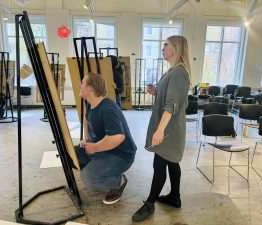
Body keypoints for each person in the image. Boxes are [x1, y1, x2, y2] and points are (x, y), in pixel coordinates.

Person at [132, 35, 191, 222]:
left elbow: (172, 104)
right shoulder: (172, 71)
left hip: (170, 130)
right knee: (172, 162)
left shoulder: (180, 72)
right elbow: (170, 97)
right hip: (170, 128)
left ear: (176, 48)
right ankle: (175, 197)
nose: (162, 47)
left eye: (166, 45)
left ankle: (149, 204)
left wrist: (160, 130)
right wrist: (156, 91)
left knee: (160, 165)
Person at [77, 72, 137, 205]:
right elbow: (86, 119)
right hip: (106, 149)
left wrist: (95, 147)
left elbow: (118, 137)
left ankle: (119, 181)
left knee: (88, 178)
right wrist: (86, 138)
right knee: (74, 155)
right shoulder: (90, 103)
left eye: (82, 84)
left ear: (90, 88)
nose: (79, 86)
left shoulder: (108, 109)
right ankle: (102, 173)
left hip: (122, 155)